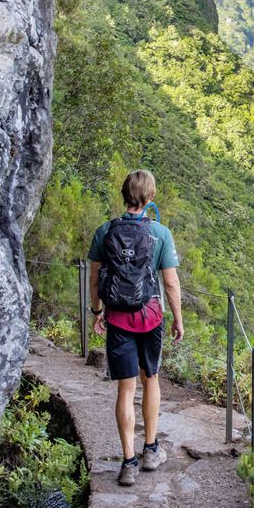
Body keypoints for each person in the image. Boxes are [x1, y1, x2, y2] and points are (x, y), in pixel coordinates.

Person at [88, 170, 184, 487]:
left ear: (123, 194)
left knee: (125, 389)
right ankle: (151, 450)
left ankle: (128, 462)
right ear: (150, 198)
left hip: (117, 318)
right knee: (151, 378)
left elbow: (95, 277)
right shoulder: (160, 233)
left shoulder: (105, 232)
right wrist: (178, 319)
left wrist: (97, 311)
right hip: (151, 317)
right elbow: (170, 282)